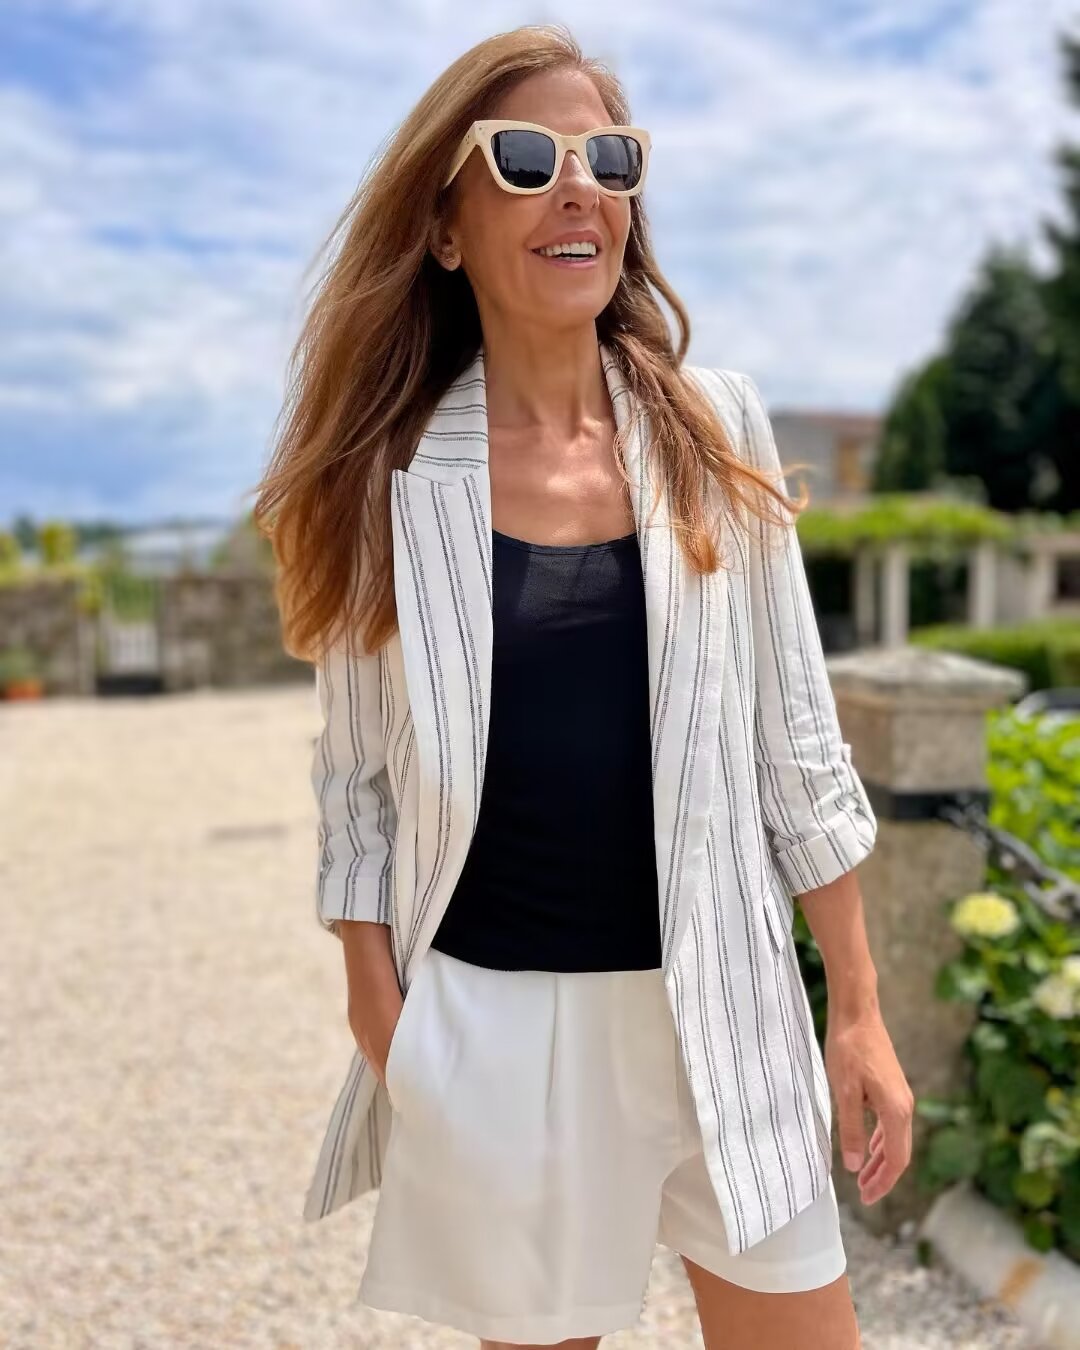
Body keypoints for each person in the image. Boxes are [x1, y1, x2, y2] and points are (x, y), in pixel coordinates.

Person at [253, 22, 914, 1350]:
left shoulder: (717, 427)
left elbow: (795, 739)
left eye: (609, 159)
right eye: (524, 157)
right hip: (499, 1028)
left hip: (727, 1000)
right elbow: (358, 782)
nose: (578, 188)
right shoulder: (387, 479)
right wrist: (381, 1012)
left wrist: (856, 1007)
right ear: (445, 229)